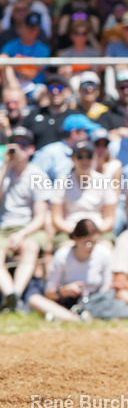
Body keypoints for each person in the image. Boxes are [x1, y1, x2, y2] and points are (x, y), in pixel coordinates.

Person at [0, 127, 50, 311]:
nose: (18, 148)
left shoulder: (38, 175)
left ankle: (16, 295)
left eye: (23, 144)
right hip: (3, 229)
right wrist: (6, 165)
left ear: (31, 149)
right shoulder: (3, 170)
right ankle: (11, 296)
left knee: (31, 247)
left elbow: (40, 217)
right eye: (14, 143)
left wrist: (21, 234)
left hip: (29, 229)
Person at [27, 219, 110, 322]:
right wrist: (63, 291)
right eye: (87, 243)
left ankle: (67, 316)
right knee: (34, 299)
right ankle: (75, 318)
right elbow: (49, 292)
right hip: (66, 302)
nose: (91, 247)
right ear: (76, 239)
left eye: (95, 242)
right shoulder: (62, 256)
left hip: (95, 301)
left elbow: (107, 286)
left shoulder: (104, 253)